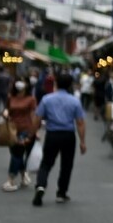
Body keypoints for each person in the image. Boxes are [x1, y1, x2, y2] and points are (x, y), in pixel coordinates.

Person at [31, 73, 86, 207]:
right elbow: (80, 122)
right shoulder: (75, 101)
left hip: (52, 134)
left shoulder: (46, 99)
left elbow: (37, 118)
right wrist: (83, 142)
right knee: (66, 165)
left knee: (46, 163)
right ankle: (61, 193)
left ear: (56, 84)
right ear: (70, 85)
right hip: (68, 135)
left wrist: (33, 133)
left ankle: (41, 185)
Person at [1, 78, 37, 191]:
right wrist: (5, 112)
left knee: (17, 153)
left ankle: (10, 180)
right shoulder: (10, 98)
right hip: (11, 129)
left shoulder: (31, 99)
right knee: (16, 153)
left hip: (25, 129)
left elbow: (33, 115)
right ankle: (23, 176)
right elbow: (7, 109)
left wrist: (35, 130)